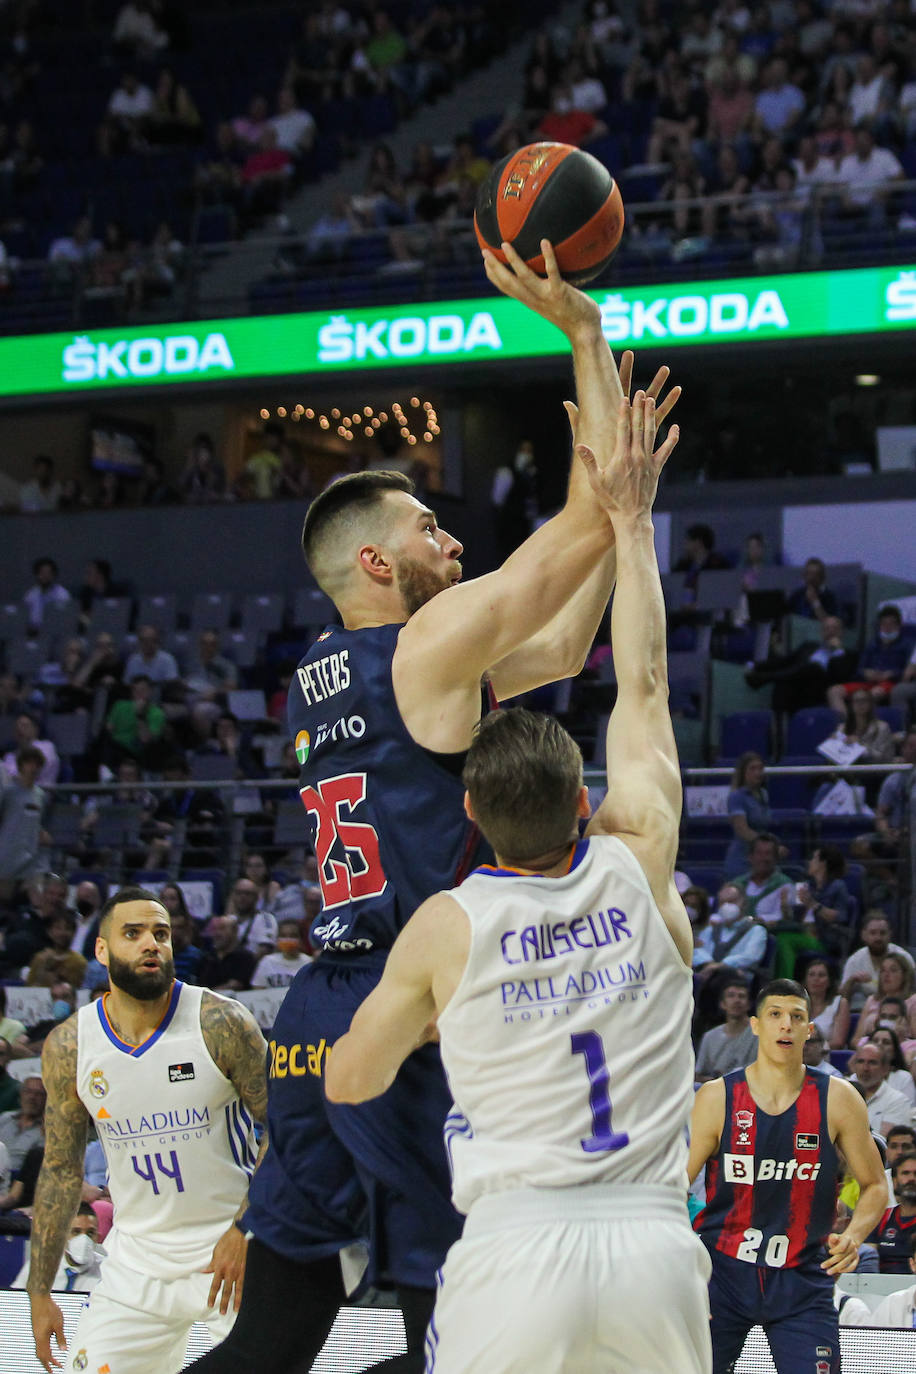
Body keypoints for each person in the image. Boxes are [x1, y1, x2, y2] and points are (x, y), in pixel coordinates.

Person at [188, 243, 681, 1374]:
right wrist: (587, 336)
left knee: (273, 1339)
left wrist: (612, 531)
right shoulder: (424, 645)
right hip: (414, 1016)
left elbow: (564, 640)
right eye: (427, 529)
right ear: (374, 560)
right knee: (457, 1332)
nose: (450, 538)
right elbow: (583, 519)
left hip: (316, 1014)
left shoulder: (334, 673)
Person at [326, 392, 711, 1374]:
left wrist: (424, 1022)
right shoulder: (640, 858)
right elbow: (645, 685)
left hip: (515, 1245)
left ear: (469, 810)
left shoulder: (446, 929)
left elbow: (350, 1080)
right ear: (586, 801)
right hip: (653, 1242)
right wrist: (632, 525)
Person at [27, 886, 268, 1374]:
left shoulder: (220, 1022)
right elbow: (60, 1170)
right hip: (135, 1265)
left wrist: (246, 1228)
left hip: (230, 1252)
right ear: (101, 950)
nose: (150, 943)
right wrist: (39, 1290)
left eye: (161, 933)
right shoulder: (71, 1046)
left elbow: (286, 1130)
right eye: (133, 933)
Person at [689, 978, 887, 1374]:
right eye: (775, 1015)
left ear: (809, 1029)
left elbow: (876, 1185)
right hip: (723, 1274)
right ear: (755, 1025)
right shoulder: (716, 1097)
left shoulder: (839, 1098)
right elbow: (672, 1187)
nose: (786, 1025)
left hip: (803, 1278)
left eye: (797, 1017)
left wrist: (853, 1236)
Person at [840, 912, 915, 1006]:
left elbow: (913, 990)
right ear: (863, 935)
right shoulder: (855, 961)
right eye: (873, 933)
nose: (878, 938)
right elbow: (841, 999)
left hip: (903, 1006)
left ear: (890, 934)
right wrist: (852, 980)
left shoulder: (904, 957)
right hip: (869, 1006)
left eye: (882, 933)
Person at [695, 978, 758, 1084]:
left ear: (749, 1004)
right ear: (722, 1004)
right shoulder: (710, 1037)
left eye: (741, 996)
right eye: (731, 996)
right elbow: (698, 1074)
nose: (736, 1000)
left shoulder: (761, 1033)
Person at [846, 1043, 912, 1138]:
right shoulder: (842, 1093)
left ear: (885, 1069)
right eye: (861, 1061)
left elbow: (883, 1141)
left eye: (872, 1063)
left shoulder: (898, 1101)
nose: (865, 1068)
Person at [724, 751, 772, 878]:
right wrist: (769, 846)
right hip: (741, 861)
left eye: (760, 768)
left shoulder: (764, 794)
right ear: (743, 772)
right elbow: (742, 830)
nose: (758, 772)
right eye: (753, 768)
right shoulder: (736, 796)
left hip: (761, 859)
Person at [867, 1152, 916, 1272]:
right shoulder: (880, 1217)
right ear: (894, 1181)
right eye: (905, 1173)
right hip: (880, 1281)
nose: (911, 1179)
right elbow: (867, 1259)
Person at [803, 958, 850, 1050]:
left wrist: (812, 1049)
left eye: (821, 975)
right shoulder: (797, 1004)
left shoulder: (840, 1003)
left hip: (826, 1055)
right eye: (811, 975)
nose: (816, 979)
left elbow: (838, 1043)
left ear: (829, 981)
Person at [250, 919, 311, 987]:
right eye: (283, 936)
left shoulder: (309, 963)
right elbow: (258, 989)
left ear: (301, 939)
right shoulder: (267, 962)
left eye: (293, 936)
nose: (288, 939)